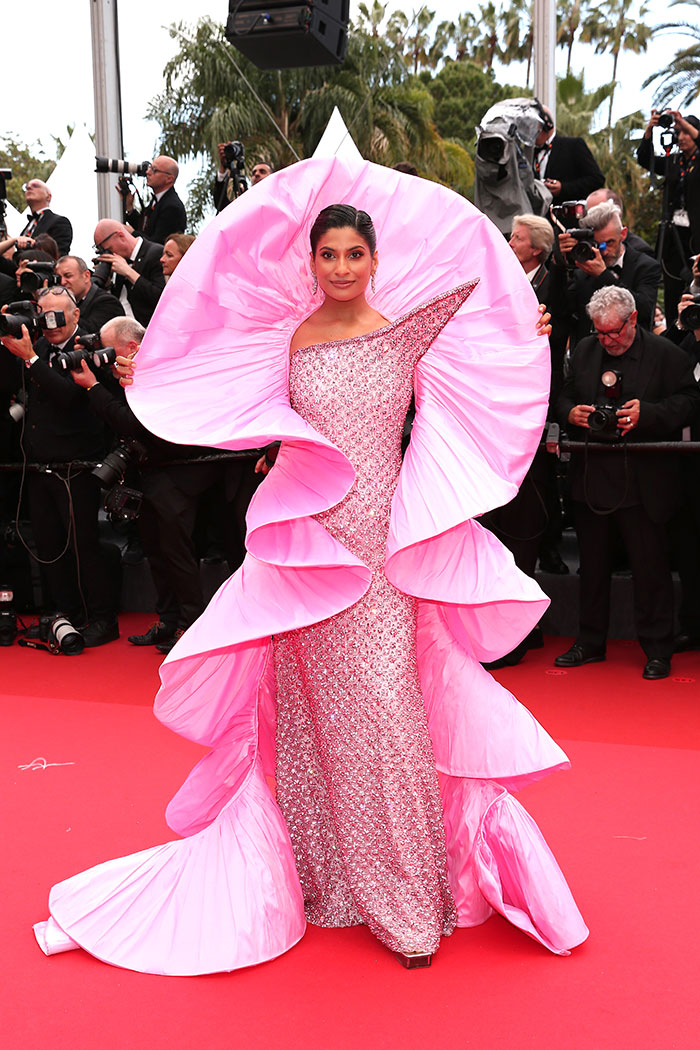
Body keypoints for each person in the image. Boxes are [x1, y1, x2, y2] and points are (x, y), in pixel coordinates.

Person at [34, 159, 587, 974]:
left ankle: (406, 899)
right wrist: (138, 373)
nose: (337, 267)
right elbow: (215, 381)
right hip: (305, 547)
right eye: (325, 254)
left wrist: (534, 332)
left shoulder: (411, 324)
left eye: (351, 255)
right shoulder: (288, 339)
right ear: (312, 260)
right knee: (306, 717)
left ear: (374, 259)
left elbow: (495, 331)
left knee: (390, 713)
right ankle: (324, 880)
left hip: (383, 548)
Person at [555, 286, 700, 679]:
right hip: (592, 480)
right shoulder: (585, 350)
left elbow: (690, 400)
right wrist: (574, 415)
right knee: (593, 568)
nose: (607, 340)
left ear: (633, 319)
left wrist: (648, 414)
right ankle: (589, 642)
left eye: (614, 332)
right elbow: (564, 396)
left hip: (645, 482)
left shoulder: (668, 354)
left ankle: (657, 649)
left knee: (650, 570)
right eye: (600, 332)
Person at [0, 287, 119, 646]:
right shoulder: (36, 351)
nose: (50, 324)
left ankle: (101, 618)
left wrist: (31, 359)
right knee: (49, 546)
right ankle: (66, 613)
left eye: (59, 315)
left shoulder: (86, 350)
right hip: (38, 468)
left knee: (83, 546)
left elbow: (68, 397)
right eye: (43, 315)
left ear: (77, 315)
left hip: (77, 467)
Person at [557, 199, 661, 345]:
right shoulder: (582, 268)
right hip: (590, 357)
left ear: (623, 234)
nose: (604, 251)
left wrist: (603, 276)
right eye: (598, 244)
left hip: (634, 354)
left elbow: (644, 310)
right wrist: (559, 262)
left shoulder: (646, 266)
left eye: (610, 242)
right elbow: (561, 310)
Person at [637, 109, 700, 323]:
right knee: (672, 287)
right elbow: (645, 160)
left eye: (686, 133)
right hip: (673, 236)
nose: (681, 137)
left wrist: (683, 122)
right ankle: (675, 331)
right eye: (678, 133)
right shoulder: (674, 161)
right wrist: (649, 131)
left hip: (696, 236)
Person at [93, 220, 165, 326]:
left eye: (108, 249)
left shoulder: (156, 253)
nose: (110, 254)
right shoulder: (120, 261)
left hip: (151, 330)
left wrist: (129, 273)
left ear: (120, 236)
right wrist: (107, 284)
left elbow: (162, 298)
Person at [533, 107, 605, 204]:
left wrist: (563, 188)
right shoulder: (527, 152)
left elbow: (597, 179)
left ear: (547, 124)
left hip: (564, 216)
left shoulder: (573, 145)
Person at [122, 156, 187, 244]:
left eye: (154, 170)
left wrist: (133, 233)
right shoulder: (159, 200)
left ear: (169, 179)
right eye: (149, 168)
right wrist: (130, 208)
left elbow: (158, 244)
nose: (147, 172)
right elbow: (144, 227)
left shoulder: (172, 207)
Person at [56, 255, 125, 332]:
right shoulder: (73, 301)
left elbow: (89, 334)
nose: (62, 282)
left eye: (68, 276)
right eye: (58, 278)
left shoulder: (107, 303)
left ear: (86, 276)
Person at [19, 179, 73, 255]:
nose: (29, 188)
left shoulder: (60, 222)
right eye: (27, 187)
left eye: (35, 186)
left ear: (48, 196)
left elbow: (58, 255)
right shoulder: (29, 225)